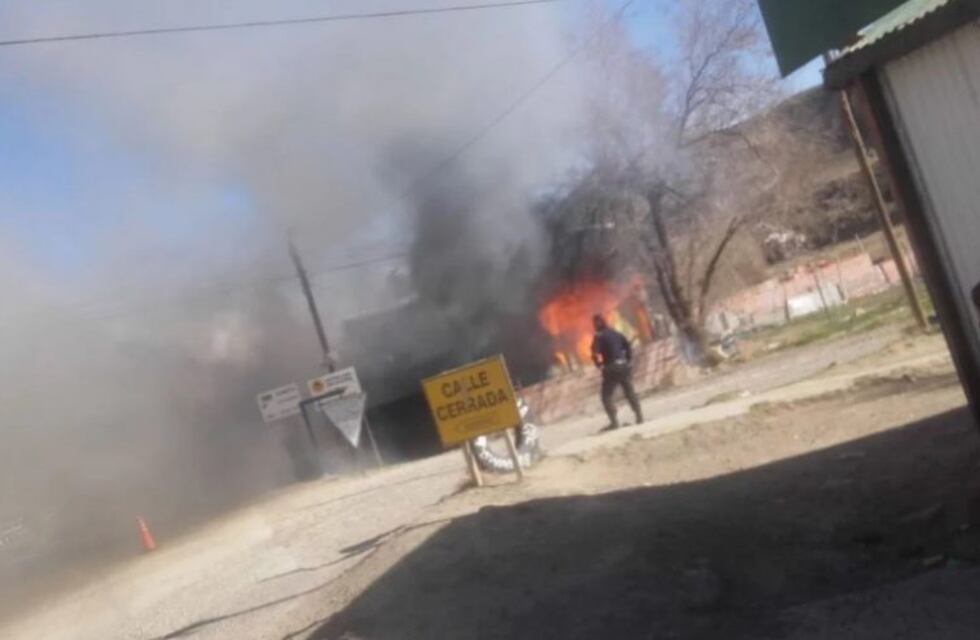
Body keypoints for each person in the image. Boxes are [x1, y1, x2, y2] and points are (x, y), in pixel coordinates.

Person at [591, 313, 643, 430]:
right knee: (630, 391)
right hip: (623, 366)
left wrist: (599, 365)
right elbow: (628, 346)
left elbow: (595, 353)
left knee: (606, 396)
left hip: (611, 368)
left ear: (596, 324)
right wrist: (628, 360)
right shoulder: (615, 333)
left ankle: (614, 423)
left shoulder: (599, 336)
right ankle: (639, 416)